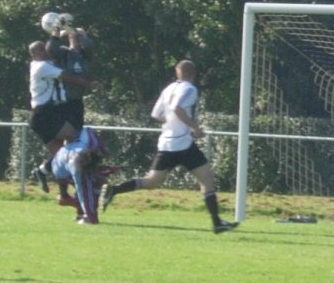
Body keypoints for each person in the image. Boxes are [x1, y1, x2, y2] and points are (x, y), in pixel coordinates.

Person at [99, 60, 239, 234]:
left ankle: (114, 189)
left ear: (177, 72)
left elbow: (156, 114)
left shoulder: (168, 89)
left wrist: (172, 123)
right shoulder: (190, 89)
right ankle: (217, 223)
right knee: (207, 179)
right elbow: (177, 108)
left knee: (152, 181)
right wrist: (193, 127)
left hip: (166, 143)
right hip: (183, 144)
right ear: (194, 74)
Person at [27, 40, 96, 193]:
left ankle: (63, 194)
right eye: (40, 51)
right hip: (43, 114)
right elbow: (68, 77)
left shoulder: (39, 64)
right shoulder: (42, 66)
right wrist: (89, 84)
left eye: (44, 49)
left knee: (60, 157)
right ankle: (44, 170)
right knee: (74, 138)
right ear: (34, 54)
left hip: (40, 116)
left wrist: (70, 40)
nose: (44, 52)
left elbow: (63, 54)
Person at [51, 126, 108, 224]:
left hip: (82, 153)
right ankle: (88, 216)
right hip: (77, 160)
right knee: (86, 189)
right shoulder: (63, 164)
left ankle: (84, 214)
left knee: (87, 188)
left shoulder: (90, 141)